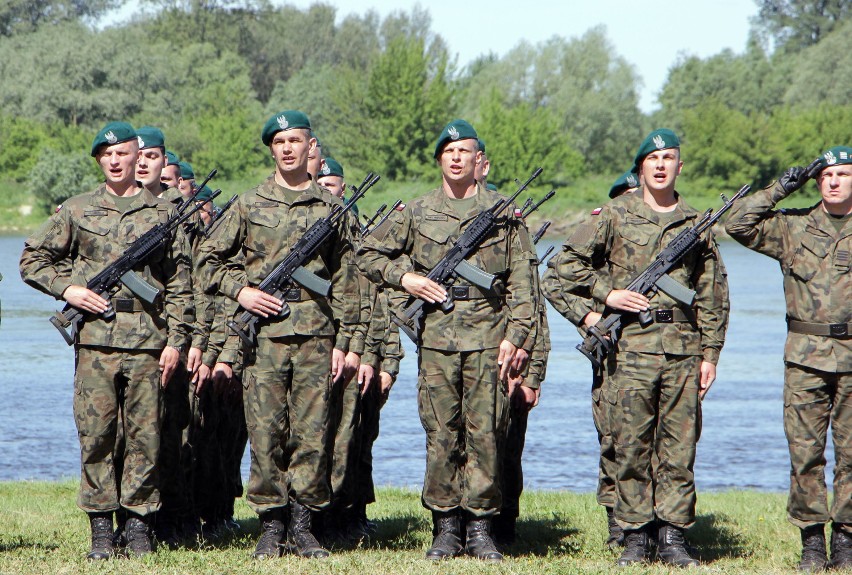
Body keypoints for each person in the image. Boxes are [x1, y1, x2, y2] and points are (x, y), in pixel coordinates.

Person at [542, 129, 729, 567]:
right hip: (630, 347)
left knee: (679, 448)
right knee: (631, 445)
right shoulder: (614, 214)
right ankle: (635, 535)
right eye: (653, 159)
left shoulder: (696, 222)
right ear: (641, 167)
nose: (661, 165)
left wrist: (710, 355)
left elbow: (713, 294)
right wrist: (607, 296)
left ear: (679, 166)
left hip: (683, 349)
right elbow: (562, 267)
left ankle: (674, 537)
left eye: (669, 158)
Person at [357, 119, 536, 563]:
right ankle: (445, 527)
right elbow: (366, 253)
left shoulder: (504, 214)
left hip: (489, 339)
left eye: (466, 152)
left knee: (487, 435)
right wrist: (408, 278)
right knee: (441, 434)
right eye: (449, 152)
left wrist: (517, 337)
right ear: (440, 160)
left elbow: (524, 285)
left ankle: (480, 528)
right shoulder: (416, 212)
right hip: (437, 339)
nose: (457, 158)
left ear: (479, 161)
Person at [19, 121, 193, 559]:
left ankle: (137, 527)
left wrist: (177, 341)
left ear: (140, 157)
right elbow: (32, 258)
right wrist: (68, 289)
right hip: (95, 343)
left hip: (149, 343)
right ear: (100, 159)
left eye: (124, 154)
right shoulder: (77, 210)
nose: (116, 161)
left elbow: (180, 283)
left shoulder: (164, 212)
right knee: (96, 435)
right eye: (107, 155)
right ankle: (101, 529)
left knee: (145, 437)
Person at [195, 110, 358, 560]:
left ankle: (304, 526)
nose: (287, 148)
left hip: (316, 336)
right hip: (263, 338)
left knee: (312, 432)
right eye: (279, 141)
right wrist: (241, 291)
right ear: (272, 148)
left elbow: (350, 279)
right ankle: (271, 525)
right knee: (265, 432)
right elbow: (207, 259)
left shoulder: (333, 209)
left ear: (311, 147)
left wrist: (347, 343)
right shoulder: (248, 204)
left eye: (296, 140)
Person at [725, 146, 852, 572]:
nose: (834, 182)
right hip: (805, 358)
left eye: (843, 174)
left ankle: (847, 542)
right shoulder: (794, 228)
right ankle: (813, 543)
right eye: (826, 175)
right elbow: (736, 223)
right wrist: (780, 187)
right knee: (805, 454)